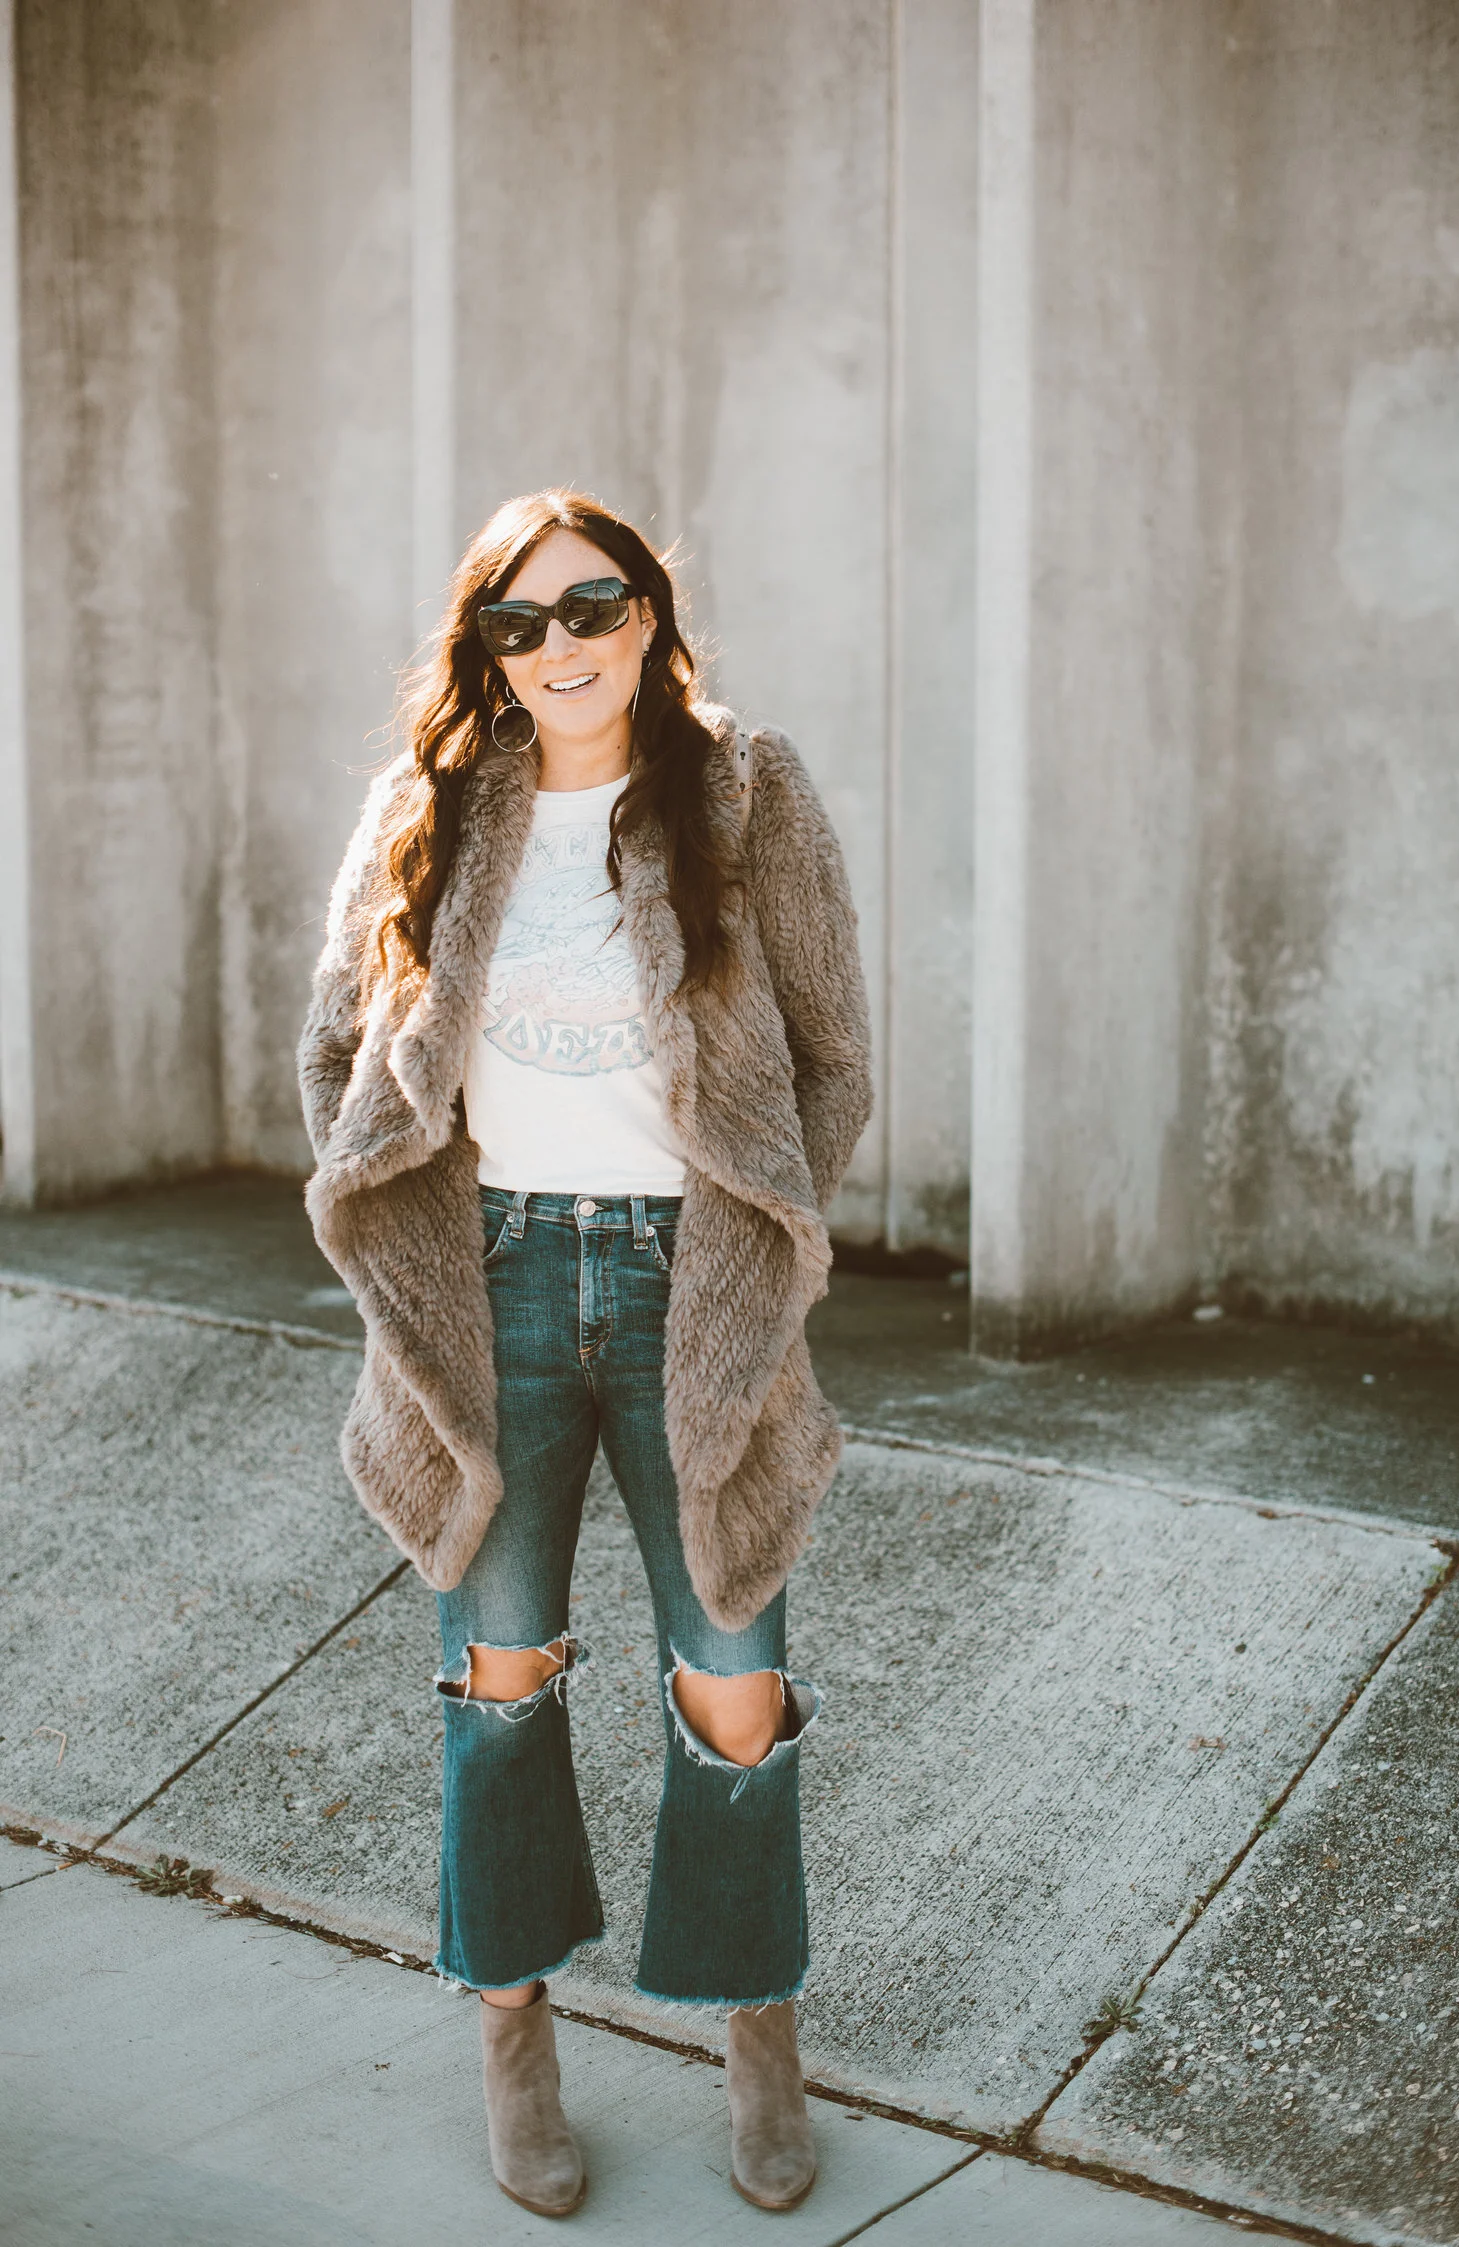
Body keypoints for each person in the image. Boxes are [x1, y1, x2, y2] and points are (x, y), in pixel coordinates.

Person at [298, 488, 872, 2217]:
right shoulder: (427, 811)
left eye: (593, 605)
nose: (561, 645)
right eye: (520, 621)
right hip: (498, 1282)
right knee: (503, 1676)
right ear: (485, 649)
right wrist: (400, 1248)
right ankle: (516, 2040)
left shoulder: (745, 788)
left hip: (693, 1280)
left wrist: (760, 1243)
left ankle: (757, 2036)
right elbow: (338, 1054)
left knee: (734, 1673)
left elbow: (833, 1053)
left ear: (647, 615)